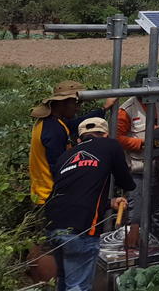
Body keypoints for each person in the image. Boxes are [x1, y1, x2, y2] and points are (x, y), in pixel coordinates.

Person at [44, 117, 134, 291]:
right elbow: (126, 182)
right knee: (77, 286)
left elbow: (77, 192)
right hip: (81, 228)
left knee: (63, 281)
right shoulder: (110, 145)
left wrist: (109, 203)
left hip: (53, 223)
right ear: (106, 134)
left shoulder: (65, 155)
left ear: (79, 139)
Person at [29, 81, 116, 205]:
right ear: (62, 103)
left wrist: (103, 109)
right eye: (75, 104)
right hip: (51, 196)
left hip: (43, 193)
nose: (78, 108)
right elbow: (58, 166)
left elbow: (75, 125)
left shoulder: (52, 122)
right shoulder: (54, 130)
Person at [116, 67, 159, 241]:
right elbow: (118, 138)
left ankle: (154, 249)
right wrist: (143, 142)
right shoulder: (126, 110)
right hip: (138, 169)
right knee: (136, 214)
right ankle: (136, 252)